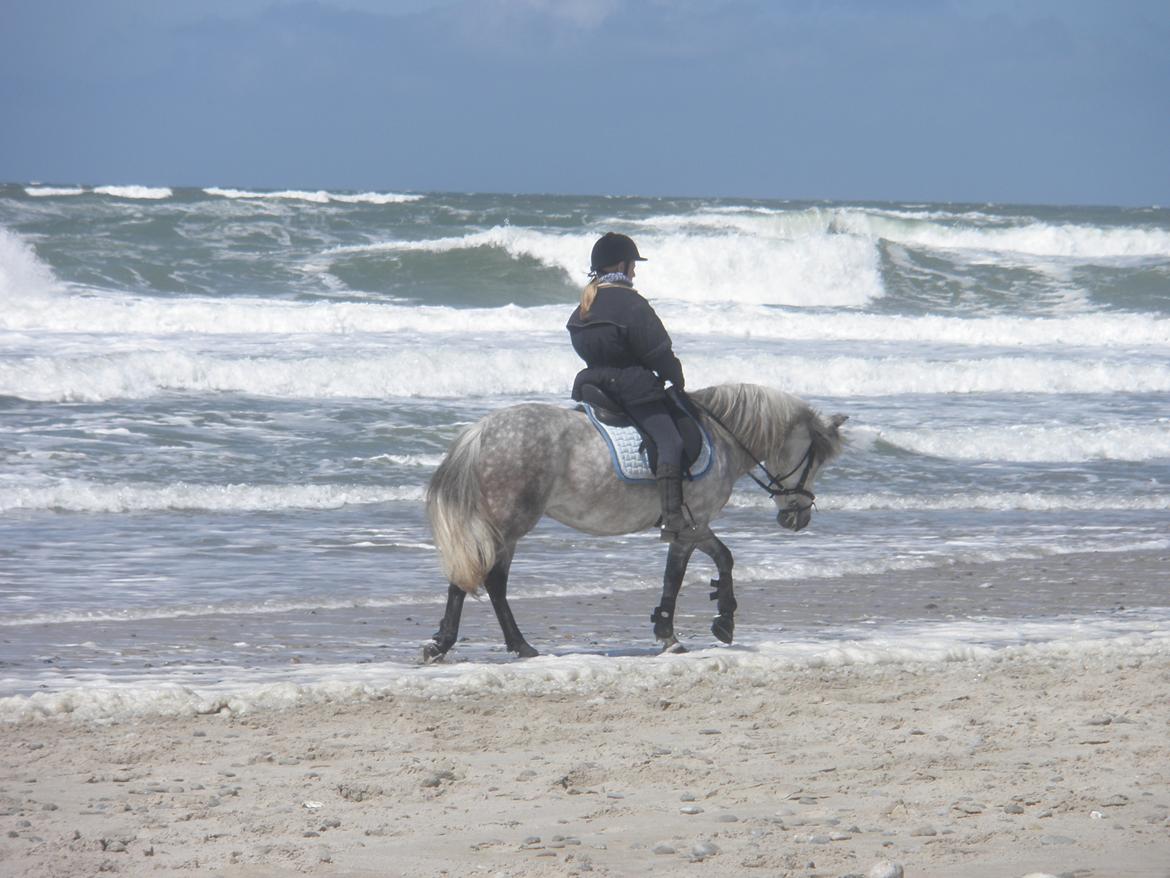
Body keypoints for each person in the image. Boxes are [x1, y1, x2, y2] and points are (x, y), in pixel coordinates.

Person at [566, 232, 701, 543]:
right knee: (670, 441)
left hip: (591, 385)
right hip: (630, 386)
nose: (635, 272)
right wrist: (676, 379)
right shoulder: (633, 305)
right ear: (622, 265)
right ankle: (672, 518)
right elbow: (658, 353)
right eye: (633, 265)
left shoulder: (584, 307)